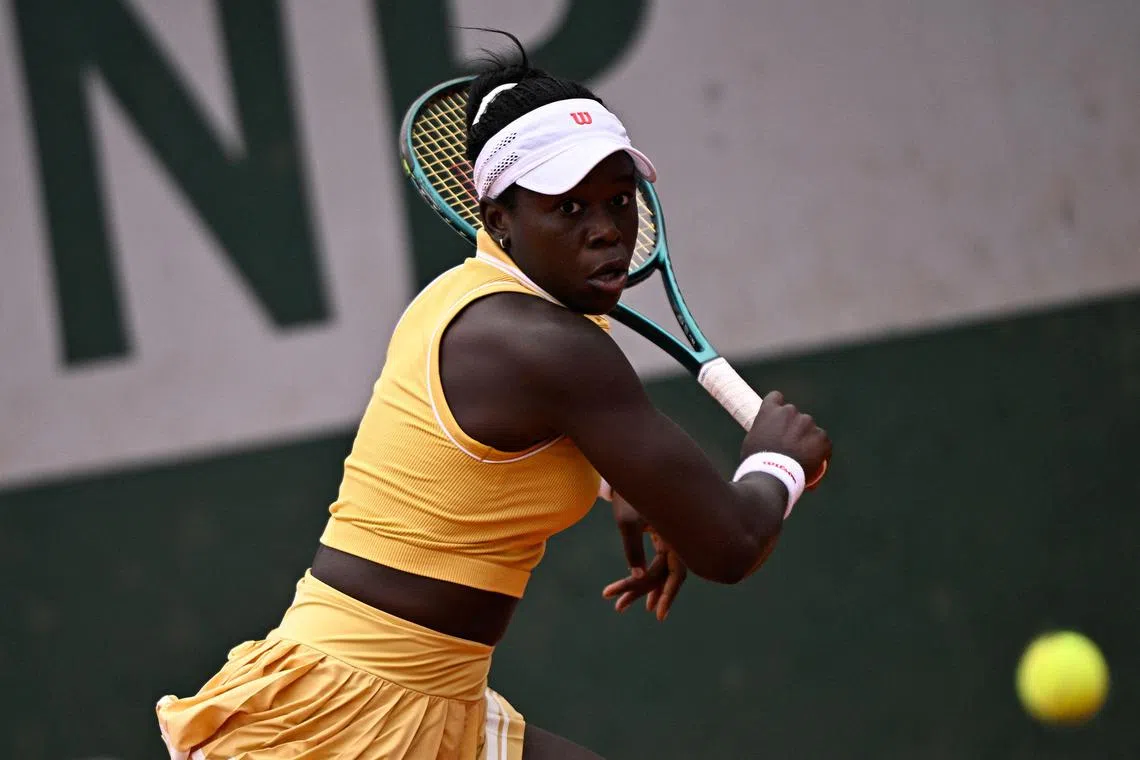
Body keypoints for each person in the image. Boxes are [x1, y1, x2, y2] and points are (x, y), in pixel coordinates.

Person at [155, 41, 832, 760]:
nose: (607, 229)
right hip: (348, 717)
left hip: (429, 696)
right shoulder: (548, 345)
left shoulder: (460, 300)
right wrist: (778, 460)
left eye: (618, 200)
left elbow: (478, 460)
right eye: (568, 207)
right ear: (497, 215)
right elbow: (730, 544)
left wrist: (626, 486)